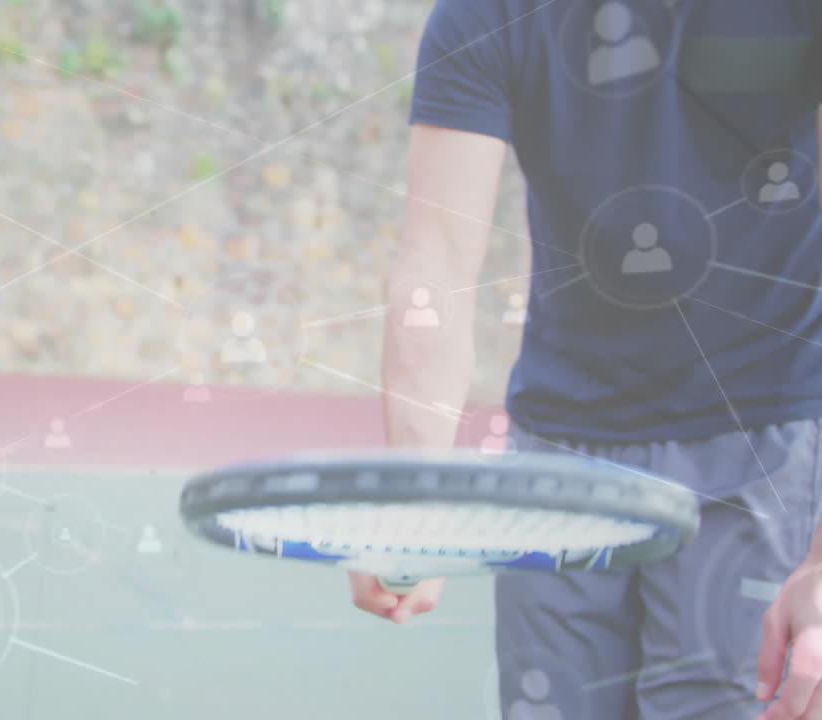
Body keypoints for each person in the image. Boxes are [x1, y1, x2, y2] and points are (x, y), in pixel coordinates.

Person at [348, 3, 822, 720]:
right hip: (561, 460)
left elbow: (435, 268)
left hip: (762, 438)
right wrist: (416, 501)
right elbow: (435, 272)